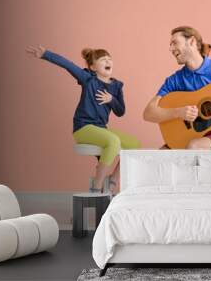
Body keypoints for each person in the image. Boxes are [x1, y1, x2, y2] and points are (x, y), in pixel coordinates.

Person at [26, 45, 141, 193]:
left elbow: (120, 111)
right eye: (103, 59)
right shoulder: (88, 79)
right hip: (83, 128)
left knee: (134, 144)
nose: (108, 61)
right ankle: (97, 187)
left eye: (109, 59)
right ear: (93, 67)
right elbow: (68, 64)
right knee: (113, 141)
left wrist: (111, 99)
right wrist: (46, 54)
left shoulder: (116, 86)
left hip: (100, 128)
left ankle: (113, 180)